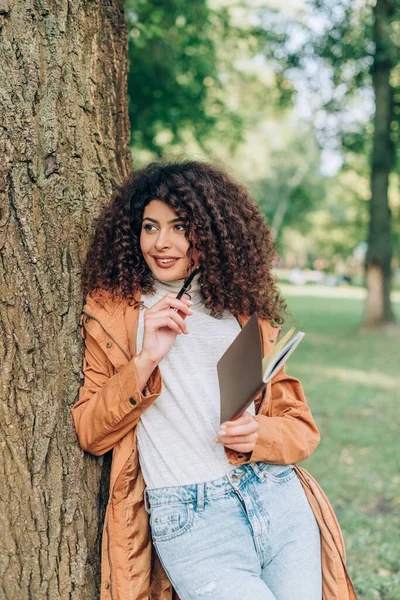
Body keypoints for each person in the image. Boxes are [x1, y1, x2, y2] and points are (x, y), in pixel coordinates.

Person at [72, 161, 356, 600]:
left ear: (210, 230)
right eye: (150, 227)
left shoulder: (241, 308)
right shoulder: (115, 312)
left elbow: (300, 430)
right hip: (191, 518)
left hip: (277, 499)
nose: (161, 243)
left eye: (180, 227)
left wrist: (258, 433)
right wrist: (145, 357)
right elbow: (91, 431)